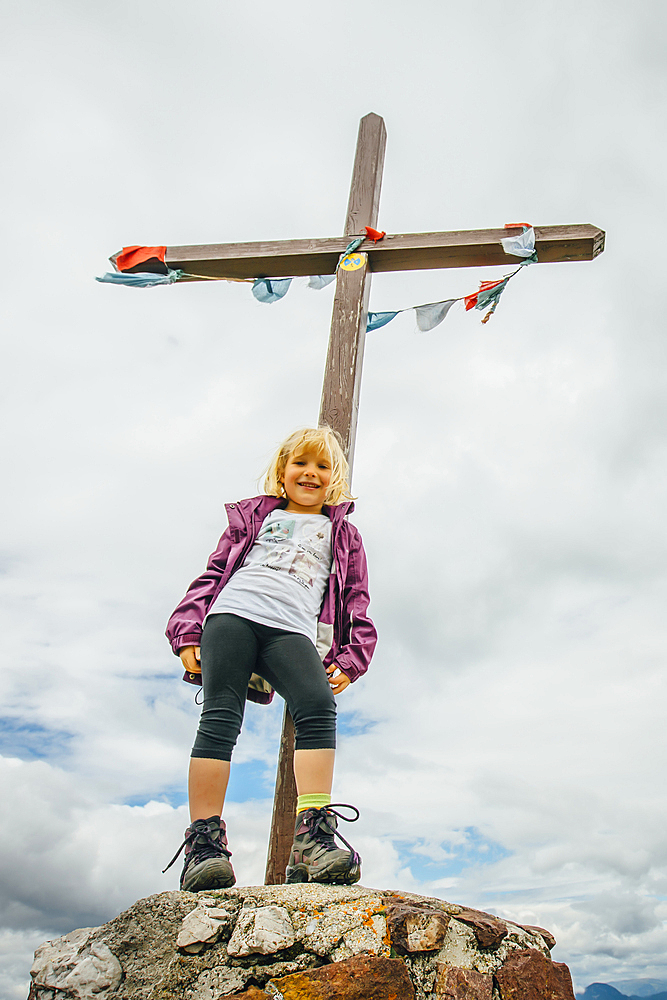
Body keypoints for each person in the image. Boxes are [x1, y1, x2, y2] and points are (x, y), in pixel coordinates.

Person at [163, 427, 377, 891]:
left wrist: (353, 655)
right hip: (232, 615)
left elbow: (355, 598)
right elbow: (215, 571)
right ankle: (204, 845)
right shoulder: (254, 518)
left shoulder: (342, 534)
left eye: (323, 466)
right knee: (220, 717)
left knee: (318, 706)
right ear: (283, 471)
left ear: (334, 479)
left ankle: (311, 838)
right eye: (301, 463)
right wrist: (188, 626)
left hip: (291, 629)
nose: (310, 473)